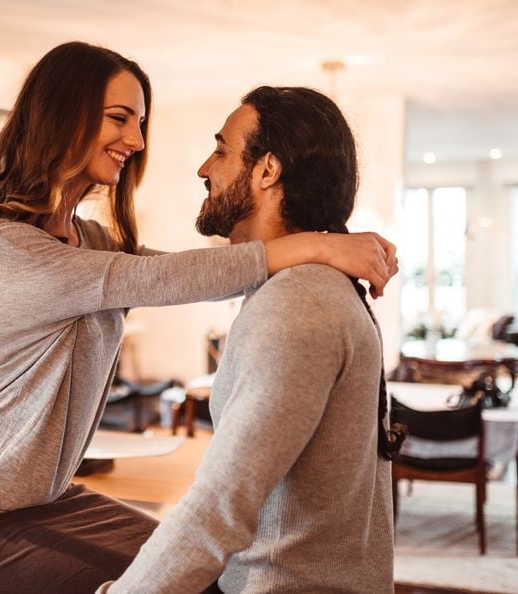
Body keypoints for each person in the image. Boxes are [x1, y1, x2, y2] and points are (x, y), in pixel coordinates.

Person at [0, 42, 398, 594]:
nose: (135, 141)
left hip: (46, 501)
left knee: (193, 571)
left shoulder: (86, 241)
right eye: (120, 119)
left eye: (139, 123)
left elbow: (176, 271)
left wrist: (318, 249)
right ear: (62, 117)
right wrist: (318, 245)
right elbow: (157, 280)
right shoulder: (2, 251)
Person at [100, 87, 406, 593]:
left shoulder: (298, 304)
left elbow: (220, 508)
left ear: (267, 171)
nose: (205, 168)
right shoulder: (310, 286)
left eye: (221, 150)